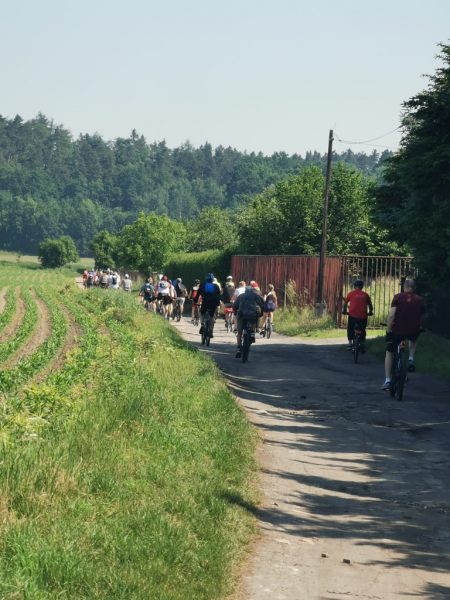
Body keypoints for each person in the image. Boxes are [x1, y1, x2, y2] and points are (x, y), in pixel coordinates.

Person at [381, 279, 425, 390]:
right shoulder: (420, 300)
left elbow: (391, 316)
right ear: (414, 288)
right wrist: (420, 327)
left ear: (404, 287)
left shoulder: (398, 297)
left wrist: (388, 331)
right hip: (413, 331)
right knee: (414, 339)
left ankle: (387, 381)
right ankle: (410, 359)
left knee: (390, 352)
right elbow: (421, 316)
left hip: (397, 331)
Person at [233, 285, 264, 358]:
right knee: (253, 320)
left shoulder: (241, 296)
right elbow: (260, 304)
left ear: (245, 291)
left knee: (240, 332)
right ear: (252, 291)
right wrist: (261, 312)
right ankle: (252, 333)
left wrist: (235, 312)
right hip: (251, 314)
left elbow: (234, 306)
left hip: (241, 315)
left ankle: (238, 349)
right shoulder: (255, 295)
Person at [343, 280, 373, 353]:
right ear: (362, 287)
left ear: (354, 286)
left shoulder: (351, 294)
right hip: (363, 316)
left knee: (350, 328)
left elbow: (345, 304)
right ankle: (362, 343)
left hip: (352, 315)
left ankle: (350, 344)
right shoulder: (365, 295)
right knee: (362, 329)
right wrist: (370, 312)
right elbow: (370, 306)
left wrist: (344, 311)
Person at [198, 273, 221, 338]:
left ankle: (202, 324)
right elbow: (218, 295)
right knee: (212, 317)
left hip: (205, 302)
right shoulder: (216, 286)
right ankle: (211, 331)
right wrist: (218, 303)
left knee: (201, 312)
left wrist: (195, 300)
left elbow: (198, 294)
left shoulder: (202, 285)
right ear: (213, 279)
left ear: (206, 279)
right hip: (213, 303)